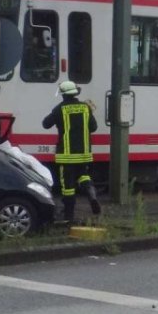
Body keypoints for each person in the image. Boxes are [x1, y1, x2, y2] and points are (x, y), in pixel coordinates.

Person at [41, 80, 100, 223]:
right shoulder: (86, 107)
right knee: (84, 176)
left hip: (66, 156)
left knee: (68, 186)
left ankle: (68, 216)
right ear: (75, 93)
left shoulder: (59, 109)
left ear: (63, 95)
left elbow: (45, 124)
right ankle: (92, 196)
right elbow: (93, 127)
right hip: (84, 154)